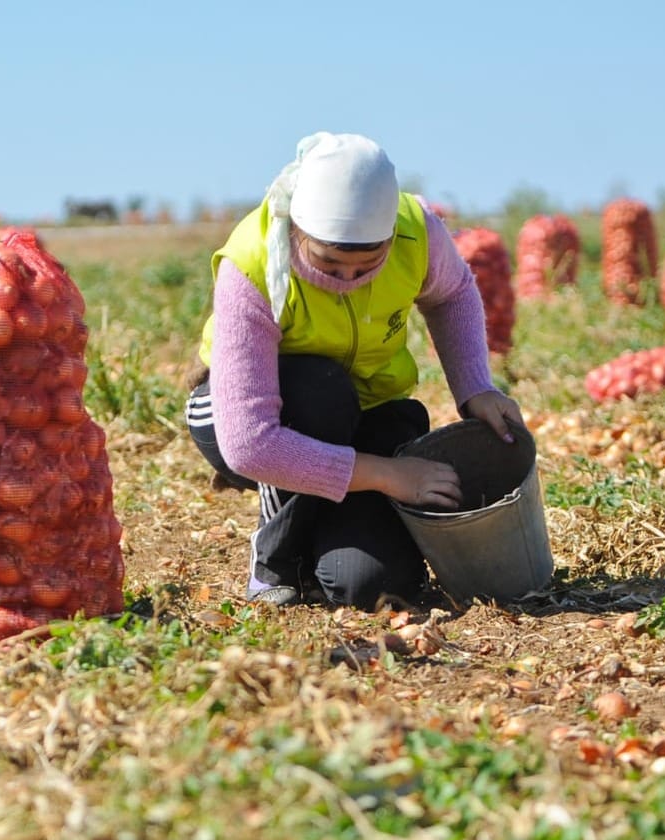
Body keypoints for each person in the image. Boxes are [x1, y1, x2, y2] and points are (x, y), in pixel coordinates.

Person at [185, 132, 524, 609]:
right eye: (330, 263)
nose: (349, 281)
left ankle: (322, 520)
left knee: (372, 585)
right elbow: (250, 444)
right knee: (321, 393)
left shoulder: (415, 230)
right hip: (246, 418)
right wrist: (388, 475)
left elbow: (452, 294)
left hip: (364, 416)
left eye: (368, 264)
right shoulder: (253, 262)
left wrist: (475, 388)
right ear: (297, 232)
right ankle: (274, 560)